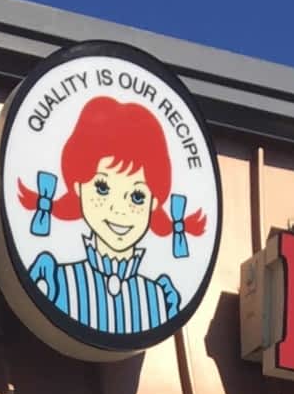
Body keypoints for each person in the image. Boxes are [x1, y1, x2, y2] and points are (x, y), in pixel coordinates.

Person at [18, 94, 208, 339]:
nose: (119, 210)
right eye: (102, 188)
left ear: (155, 201)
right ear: (78, 186)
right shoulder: (57, 280)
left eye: (137, 196)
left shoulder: (159, 298)